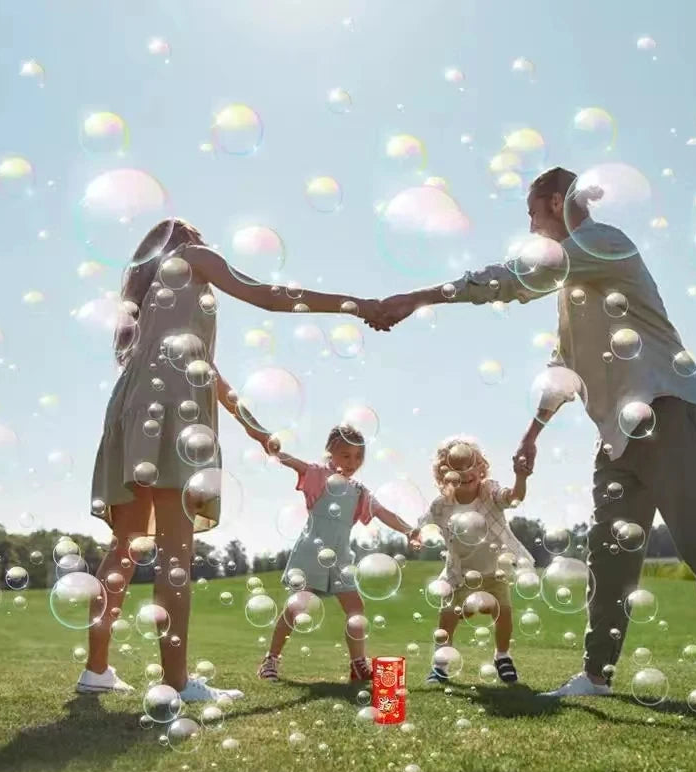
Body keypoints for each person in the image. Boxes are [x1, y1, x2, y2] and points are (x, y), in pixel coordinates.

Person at [367, 167, 696, 707]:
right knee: (607, 557)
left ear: (557, 203)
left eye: (533, 215)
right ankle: (597, 676)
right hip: (618, 435)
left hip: (667, 411)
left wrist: (415, 298)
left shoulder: (603, 243)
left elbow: (510, 278)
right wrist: (533, 432)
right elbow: (564, 367)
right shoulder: (574, 289)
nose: (532, 228)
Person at [78, 218, 380, 701]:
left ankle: (96, 670)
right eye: (197, 235)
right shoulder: (193, 257)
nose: (204, 243)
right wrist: (353, 304)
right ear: (184, 241)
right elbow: (266, 294)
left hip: (133, 407)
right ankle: (177, 683)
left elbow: (208, 370)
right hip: (175, 411)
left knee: (126, 546)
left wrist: (255, 429)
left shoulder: (151, 295)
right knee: (175, 551)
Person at [245, 422, 422, 682]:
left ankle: (358, 664)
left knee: (356, 608)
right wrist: (272, 448)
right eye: (346, 455)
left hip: (340, 558)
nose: (352, 462)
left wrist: (409, 531)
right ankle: (271, 660)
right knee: (297, 607)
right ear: (330, 452)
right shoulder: (319, 475)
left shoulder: (359, 491)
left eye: (358, 457)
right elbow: (295, 464)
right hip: (310, 552)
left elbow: (384, 513)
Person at [416, 437, 533, 686]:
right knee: (448, 616)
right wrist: (416, 536)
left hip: (495, 571)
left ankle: (502, 656)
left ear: (481, 467)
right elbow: (424, 525)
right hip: (460, 573)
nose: (465, 472)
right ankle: (440, 664)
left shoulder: (489, 492)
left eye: (470, 465)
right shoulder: (442, 504)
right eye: (457, 468)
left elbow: (513, 497)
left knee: (504, 613)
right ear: (444, 474)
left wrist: (520, 478)